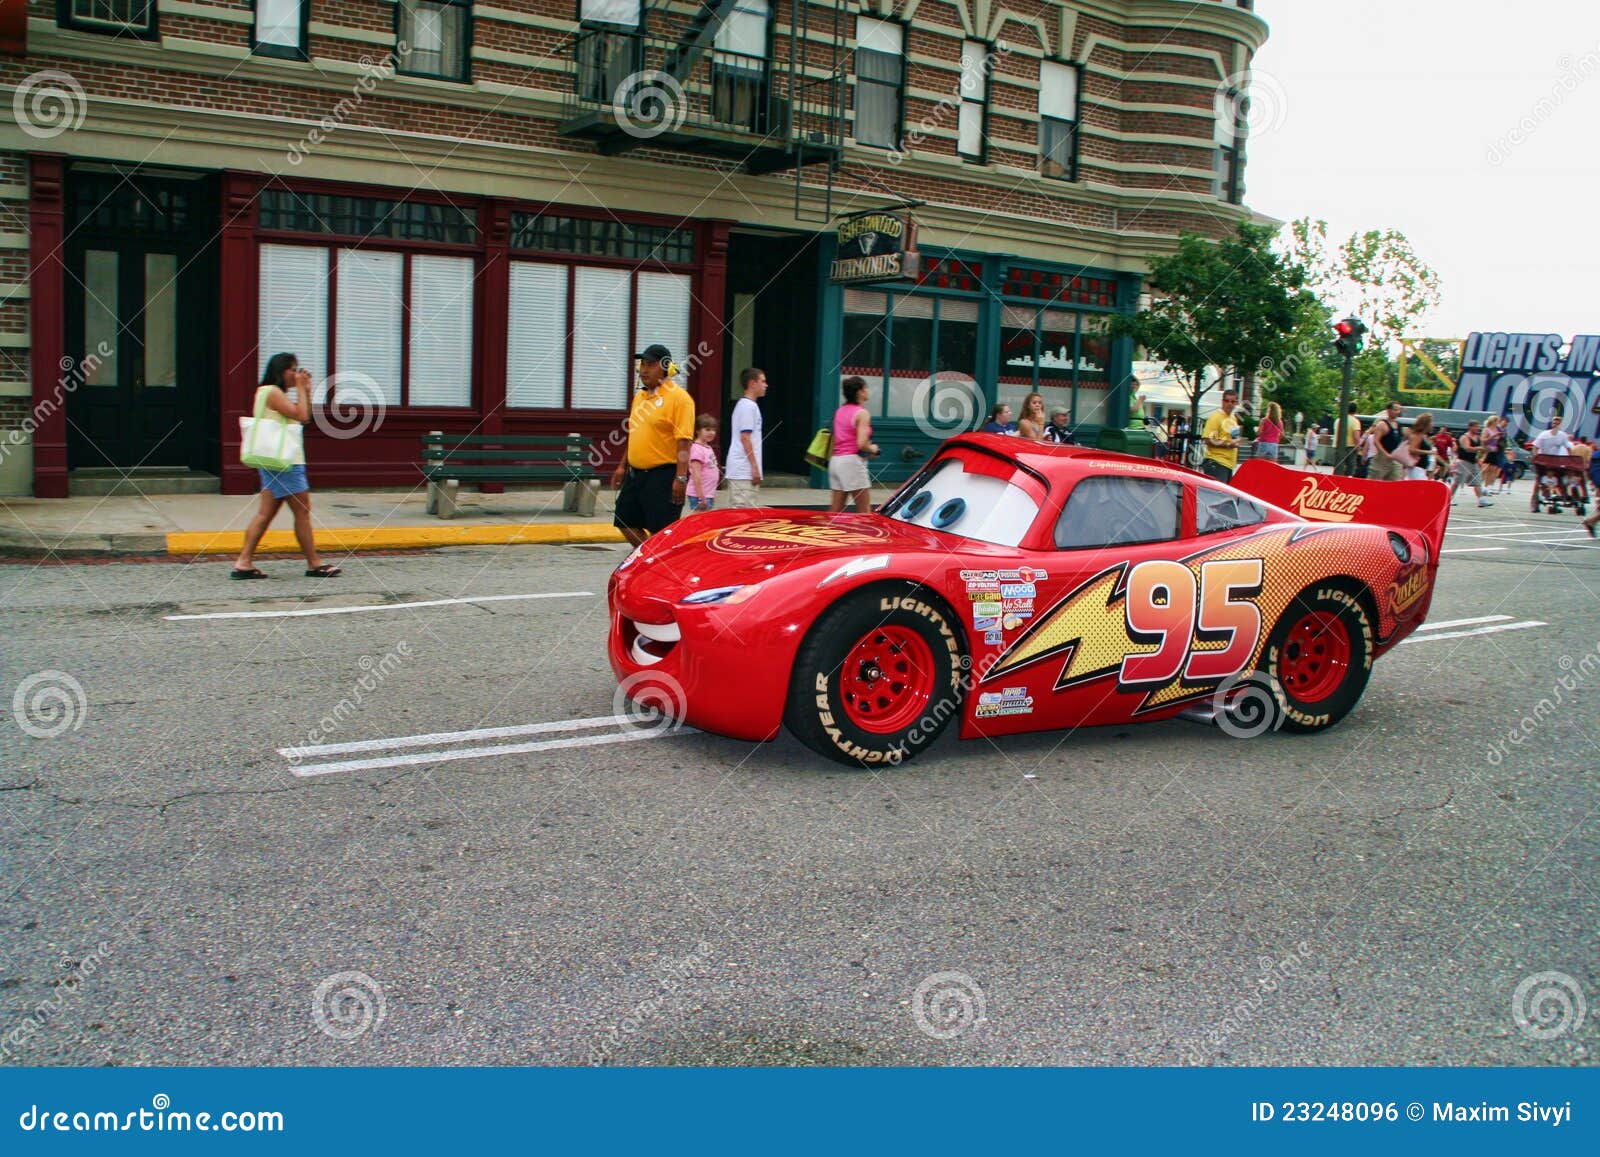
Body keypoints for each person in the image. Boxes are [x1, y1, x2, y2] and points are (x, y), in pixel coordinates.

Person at [231, 352, 340, 580]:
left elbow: (305, 417)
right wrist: (302, 387)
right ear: (281, 371)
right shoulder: (272, 391)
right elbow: (301, 416)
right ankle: (314, 563)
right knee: (302, 511)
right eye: (293, 369)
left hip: (276, 461)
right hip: (286, 463)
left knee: (265, 513)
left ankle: (244, 562)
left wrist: (306, 390)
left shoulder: (269, 393)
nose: (296, 374)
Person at [611, 343, 695, 547]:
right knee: (624, 520)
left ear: (665, 367)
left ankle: (658, 565)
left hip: (664, 475)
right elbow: (634, 433)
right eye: (642, 364)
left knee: (661, 531)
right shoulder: (640, 396)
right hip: (636, 473)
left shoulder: (679, 398)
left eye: (650, 364)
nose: (643, 370)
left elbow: (684, 442)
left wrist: (680, 478)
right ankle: (650, 559)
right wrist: (623, 466)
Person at [829, 376, 878, 514]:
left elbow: (838, 438)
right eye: (866, 388)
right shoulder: (862, 413)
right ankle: (865, 536)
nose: (868, 391)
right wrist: (873, 449)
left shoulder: (839, 411)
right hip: (852, 463)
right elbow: (861, 443)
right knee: (864, 512)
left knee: (835, 512)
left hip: (836, 461)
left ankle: (829, 533)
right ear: (860, 392)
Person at [724, 367, 766, 508]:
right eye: (763, 381)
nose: (766, 385)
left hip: (742, 470)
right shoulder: (748, 407)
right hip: (743, 471)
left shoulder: (747, 406)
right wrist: (754, 467)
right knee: (743, 513)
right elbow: (745, 438)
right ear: (752, 383)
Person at [1200, 389, 1243, 482]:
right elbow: (1207, 439)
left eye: (1232, 401)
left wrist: (1237, 441)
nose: (1229, 404)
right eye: (1226, 401)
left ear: (1236, 403)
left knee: (1223, 495)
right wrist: (1228, 444)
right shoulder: (1215, 417)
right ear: (1222, 401)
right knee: (1217, 495)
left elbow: (1233, 438)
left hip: (1228, 464)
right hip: (1216, 463)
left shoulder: (1233, 418)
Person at [1450, 419, 1494, 508]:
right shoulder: (1464, 437)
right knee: (1457, 481)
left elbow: (1482, 447)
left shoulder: (1477, 437)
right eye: (1476, 426)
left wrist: (1486, 449)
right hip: (1463, 462)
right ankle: (1450, 497)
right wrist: (1480, 448)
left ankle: (1481, 500)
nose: (1478, 428)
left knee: (1477, 481)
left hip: (1473, 462)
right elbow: (1467, 448)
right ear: (1470, 427)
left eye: (1478, 426)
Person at [686, 413, 720, 513]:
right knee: (699, 521)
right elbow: (696, 475)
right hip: (700, 495)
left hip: (707, 494)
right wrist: (701, 497)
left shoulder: (707, 447)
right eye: (707, 429)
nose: (712, 433)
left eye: (714, 430)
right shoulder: (697, 449)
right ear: (697, 431)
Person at [1368, 401, 1407, 482]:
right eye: (1395, 410)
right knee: (1375, 481)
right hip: (1382, 458)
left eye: (1399, 410)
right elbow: (1376, 441)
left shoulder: (1399, 425)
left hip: (1395, 458)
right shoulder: (1382, 424)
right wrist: (1385, 454)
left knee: (1395, 481)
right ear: (1388, 410)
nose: (1397, 412)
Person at [1405, 412, 1435, 481]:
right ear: (1426, 424)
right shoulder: (1417, 436)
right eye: (1431, 423)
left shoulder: (1422, 436)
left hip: (1419, 468)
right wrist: (1428, 452)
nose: (1432, 425)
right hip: (1416, 468)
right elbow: (1412, 449)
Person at [1481, 415, 1506, 492]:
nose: (1498, 423)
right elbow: (1483, 440)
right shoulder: (1487, 429)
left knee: (1493, 469)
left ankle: (1487, 486)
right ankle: (1481, 484)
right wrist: (1493, 436)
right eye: (1496, 421)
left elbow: (1502, 439)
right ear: (1492, 421)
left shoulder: (1498, 429)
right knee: (1485, 469)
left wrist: (1501, 436)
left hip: (1495, 450)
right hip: (1487, 450)